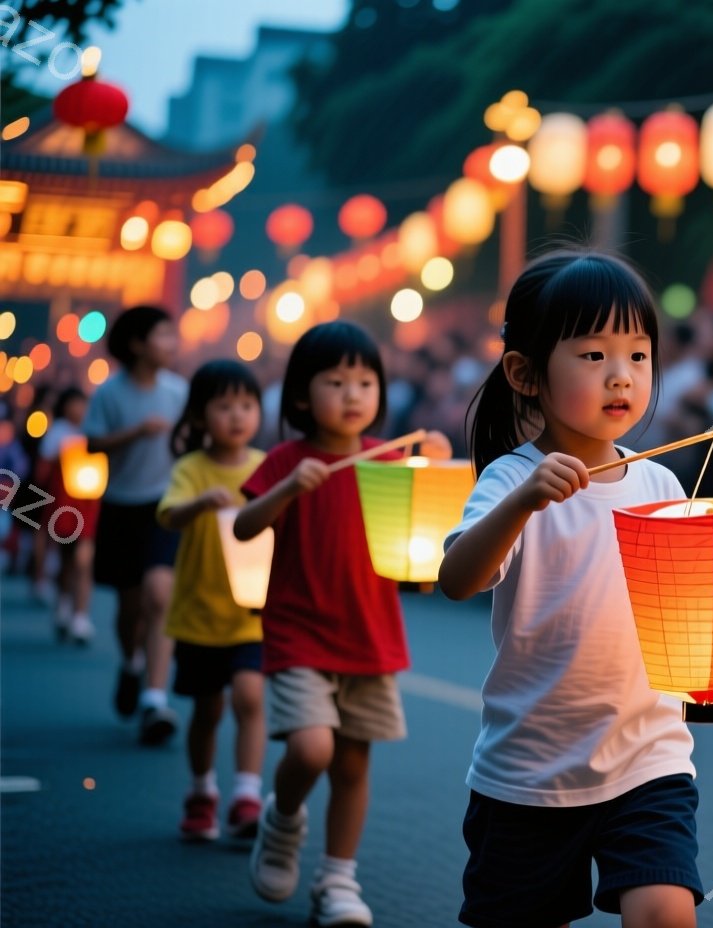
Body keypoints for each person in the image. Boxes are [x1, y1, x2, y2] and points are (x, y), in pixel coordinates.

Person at [437, 250, 713, 928]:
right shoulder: (510, 481)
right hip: (529, 773)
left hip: (649, 760)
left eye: (638, 355)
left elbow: (703, 596)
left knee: (666, 913)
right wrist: (523, 502)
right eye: (592, 356)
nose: (621, 376)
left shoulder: (663, 485)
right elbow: (459, 578)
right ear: (526, 373)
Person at [235, 321, 452, 926]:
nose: (353, 394)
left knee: (354, 764)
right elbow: (243, 527)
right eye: (336, 381)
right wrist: (282, 490)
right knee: (311, 748)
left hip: (370, 631)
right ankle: (282, 822)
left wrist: (432, 460)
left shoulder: (388, 459)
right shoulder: (287, 459)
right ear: (302, 396)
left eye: (365, 381)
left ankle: (337, 880)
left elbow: (438, 503)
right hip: (299, 630)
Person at [157, 359, 268, 842]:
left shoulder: (266, 467)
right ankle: (202, 791)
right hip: (200, 614)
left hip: (253, 614)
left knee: (249, 696)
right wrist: (201, 502)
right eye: (224, 406)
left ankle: (246, 795)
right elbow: (167, 516)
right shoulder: (191, 469)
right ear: (200, 416)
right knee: (207, 710)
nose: (238, 416)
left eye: (247, 405)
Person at [83, 305, 188, 744]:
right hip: (122, 505)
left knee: (159, 595)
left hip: (165, 507)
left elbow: (191, 440)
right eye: (162, 336)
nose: (171, 344)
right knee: (130, 607)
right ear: (137, 345)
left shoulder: (179, 391)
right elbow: (92, 443)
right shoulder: (110, 393)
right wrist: (136, 433)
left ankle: (154, 698)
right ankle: (131, 663)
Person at [37, 387, 98, 644]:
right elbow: (43, 470)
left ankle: (80, 615)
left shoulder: (95, 429)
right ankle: (63, 604)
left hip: (90, 504)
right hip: (63, 506)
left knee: (84, 561)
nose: (79, 410)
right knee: (66, 559)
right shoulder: (57, 433)